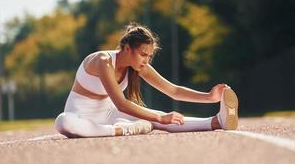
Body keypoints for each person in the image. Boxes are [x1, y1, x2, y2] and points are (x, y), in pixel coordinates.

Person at [55, 23, 239, 138]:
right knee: (63, 122)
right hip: (81, 117)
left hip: (109, 114)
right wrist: (159, 117)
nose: (146, 60)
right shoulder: (103, 61)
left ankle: (216, 121)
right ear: (127, 48)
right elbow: (121, 103)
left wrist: (208, 97)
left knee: (158, 117)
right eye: (143, 54)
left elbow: (173, 90)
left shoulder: (138, 66)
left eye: (149, 56)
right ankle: (124, 130)